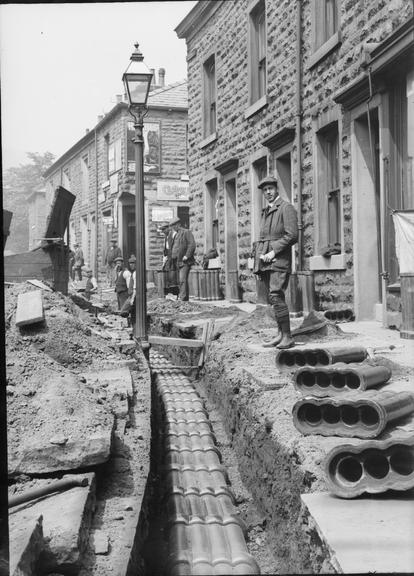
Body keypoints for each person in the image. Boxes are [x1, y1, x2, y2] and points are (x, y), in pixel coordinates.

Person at [253, 176, 298, 349]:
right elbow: (263, 238)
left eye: (270, 189)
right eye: (265, 190)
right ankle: (280, 334)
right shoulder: (267, 211)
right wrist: (258, 256)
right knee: (272, 298)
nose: (268, 192)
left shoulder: (286, 208)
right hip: (266, 260)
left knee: (276, 295)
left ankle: (288, 336)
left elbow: (292, 235)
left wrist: (273, 251)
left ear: (276, 189)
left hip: (279, 259)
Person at [166, 217, 196, 301]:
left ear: (179, 224)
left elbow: (192, 244)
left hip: (184, 261)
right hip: (175, 261)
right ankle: (183, 297)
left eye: (174, 225)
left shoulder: (186, 232)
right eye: (172, 226)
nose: (173, 228)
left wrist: (187, 255)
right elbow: (170, 247)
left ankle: (183, 299)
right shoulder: (172, 234)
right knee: (178, 280)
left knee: (182, 279)